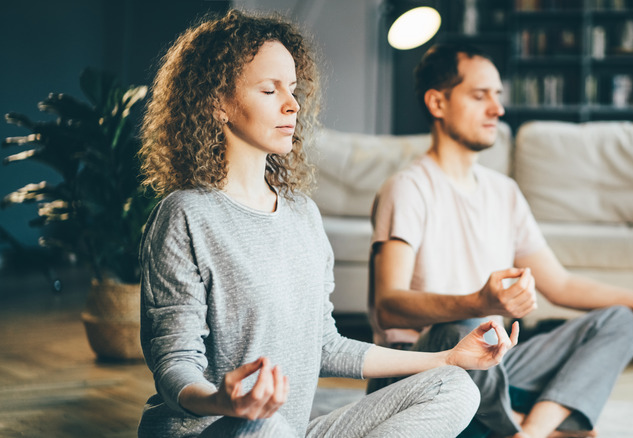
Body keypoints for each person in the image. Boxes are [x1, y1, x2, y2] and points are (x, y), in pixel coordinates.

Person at [136, 12, 521, 438]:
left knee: (454, 387)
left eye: (294, 90)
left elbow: (326, 345)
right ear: (217, 103)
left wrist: (449, 357)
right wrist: (222, 401)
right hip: (216, 429)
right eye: (269, 89)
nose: (292, 105)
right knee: (262, 425)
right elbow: (174, 363)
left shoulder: (303, 214)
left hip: (288, 432)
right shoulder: (185, 215)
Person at [368, 43, 633, 438]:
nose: (497, 110)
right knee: (468, 325)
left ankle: (533, 431)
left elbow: (562, 285)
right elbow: (389, 306)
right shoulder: (408, 188)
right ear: (437, 102)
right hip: (417, 369)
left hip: (490, 364)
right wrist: (478, 303)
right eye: (479, 95)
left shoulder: (504, 193)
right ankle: (526, 426)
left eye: (498, 97)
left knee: (620, 320)